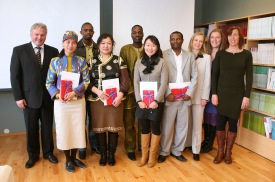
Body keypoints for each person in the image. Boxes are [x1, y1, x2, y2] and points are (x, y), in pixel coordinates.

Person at [10, 22, 59, 169]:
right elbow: (15, 76)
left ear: (46, 35)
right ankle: (32, 156)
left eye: (42, 34)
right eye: (36, 34)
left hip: (48, 97)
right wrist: (18, 97)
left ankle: (49, 153)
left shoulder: (53, 51)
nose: (39, 37)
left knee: (47, 127)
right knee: (31, 128)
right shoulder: (19, 50)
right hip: (28, 98)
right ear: (31, 34)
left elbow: (57, 76)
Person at [46, 31, 89, 172]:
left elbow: (87, 81)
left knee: (77, 130)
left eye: (74, 42)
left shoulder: (82, 61)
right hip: (61, 103)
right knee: (64, 130)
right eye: (68, 42)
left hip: (77, 102)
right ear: (63, 43)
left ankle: (74, 157)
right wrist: (59, 96)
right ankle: (68, 160)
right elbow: (49, 83)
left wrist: (74, 92)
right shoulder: (55, 61)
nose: (70, 45)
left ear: (77, 44)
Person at [211, 26, 253, 164]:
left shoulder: (246, 54)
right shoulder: (221, 54)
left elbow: (250, 77)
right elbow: (214, 76)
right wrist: (214, 94)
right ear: (226, 37)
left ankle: (229, 152)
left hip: (237, 95)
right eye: (230, 35)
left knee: (233, 124)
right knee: (220, 123)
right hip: (222, 94)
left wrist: (246, 96)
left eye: (235, 35)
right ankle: (220, 152)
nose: (233, 38)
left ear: (240, 37)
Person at [88, 33, 130, 166]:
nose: (106, 46)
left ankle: (111, 154)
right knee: (99, 128)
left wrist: (120, 95)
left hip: (115, 100)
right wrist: (97, 91)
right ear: (98, 45)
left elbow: (125, 81)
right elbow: (86, 81)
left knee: (113, 128)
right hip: (97, 100)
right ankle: (103, 154)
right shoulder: (91, 61)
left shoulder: (119, 60)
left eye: (109, 43)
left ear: (113, 45)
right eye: (103, 43)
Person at [158, 31, 197, 163]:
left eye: (178, 39)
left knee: (182, 126)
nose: (175, 41)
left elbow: (195, 76)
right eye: (173, 39)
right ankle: (164, 151)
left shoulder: (190, 56)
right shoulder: (163, 54)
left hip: (185, 97)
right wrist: (167, 93)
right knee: (167, 126)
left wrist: (190, 93)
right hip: (171, 97)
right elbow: (161, 76)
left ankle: (177, 150)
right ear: (170, 40)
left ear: (182, 40)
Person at [134, 35, 168, 168]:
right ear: (144, 46)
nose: (150, 48)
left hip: (156, 102)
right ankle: (144, 156)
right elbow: (136, 82)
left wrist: (156, 100)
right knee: (144, 128)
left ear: (157, 47)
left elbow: (164, 83)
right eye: (148, 45)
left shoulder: (162, 62)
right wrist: (139, 100)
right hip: (142, 102)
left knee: (155, 127)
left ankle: (152, 156)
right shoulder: (138, 62)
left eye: (153, 45)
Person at [75, 22, 99, 159]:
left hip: (95, 89)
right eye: (85, 30)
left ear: (93, 32)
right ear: (81, 32)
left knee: (93, 119)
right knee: (80, 119)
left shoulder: (99, 47)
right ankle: (82, 146)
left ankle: (94, 145)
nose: (88, 32)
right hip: (79, 90)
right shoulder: (74, 47)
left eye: (90, 30)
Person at [120, 25, 144, 161]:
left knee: (143, 121)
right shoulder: (125, 50)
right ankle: (130, 148)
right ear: (131, 34)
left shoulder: (147, 47)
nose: (137, 34)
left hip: (146, 92)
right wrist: (130, 89)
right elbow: (123, 72)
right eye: (134, 32)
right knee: (129, 122)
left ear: (143, 34)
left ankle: (143, 146)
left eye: (139, 32)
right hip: (129, 93)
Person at [188, 32, 211, 161]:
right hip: (186, 96)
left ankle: (196, 150)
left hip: (199, 97)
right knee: (185, 123)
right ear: (192, 41)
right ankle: (186, 145)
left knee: (197, 124)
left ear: (203, 43)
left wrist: (205, 97)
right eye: (195, 40)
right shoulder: (186, 55)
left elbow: (207, 78)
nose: (197, 43)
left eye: (200, 41)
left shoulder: (207, 58)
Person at [201, 29, 225, 153]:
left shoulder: (224, 54)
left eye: (217, 37)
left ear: (222, 39)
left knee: (214, 116)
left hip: (217, 91)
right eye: (212, 37)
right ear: (209, 39)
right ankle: (205, 140)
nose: (214, 40)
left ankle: (210, 142)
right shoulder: (205, 53)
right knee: (206, 116)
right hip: (206, 90)